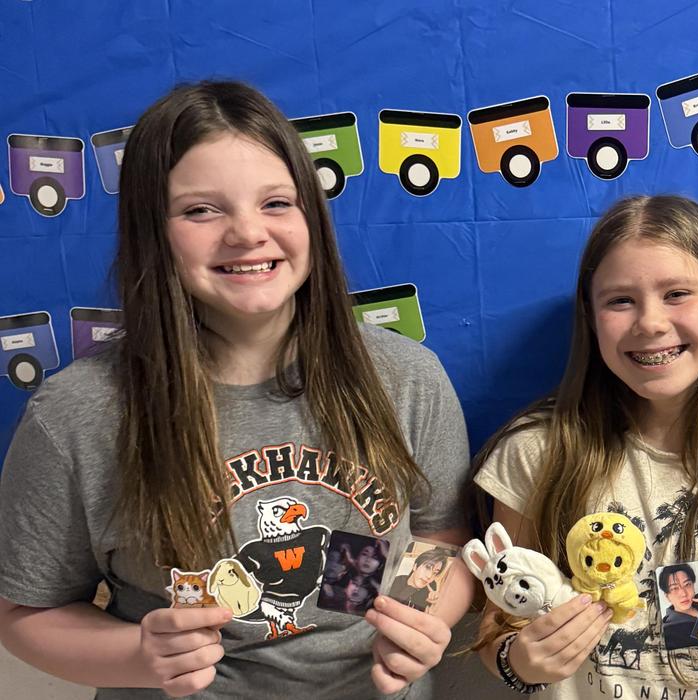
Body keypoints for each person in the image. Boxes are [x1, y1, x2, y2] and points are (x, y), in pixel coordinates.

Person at [0, 80, 475, 699]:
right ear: (153, 230)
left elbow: (441, 538)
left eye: (277, 202)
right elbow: (25, 612)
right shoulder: (76, 415)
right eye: (201, 210)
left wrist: (425, 620)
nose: (248, 233)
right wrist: (137, 655)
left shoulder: (407, 377)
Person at [472, 194, 698, 699]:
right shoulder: (534, 452)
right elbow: (496, 630)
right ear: (591, 317)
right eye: (620, 300)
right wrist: (519, 660)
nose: (651, 323)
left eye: (677, 293)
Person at [387, 548, 453, 611]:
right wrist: (411, 589)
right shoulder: (393, 582)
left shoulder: (429, 593)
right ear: (415, 566)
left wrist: (434, 606)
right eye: (428, 567)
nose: (429, 576)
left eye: (435, 573)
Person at [657, 564, 698, 649]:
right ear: (667, 596)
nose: (684, 594)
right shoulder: (668, 634)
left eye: (687, 584)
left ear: (693, 585)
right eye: (674, 588)